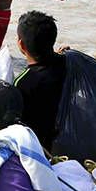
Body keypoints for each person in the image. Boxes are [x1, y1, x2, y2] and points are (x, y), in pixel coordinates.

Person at [13, 11, 66, 154]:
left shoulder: (22, 82)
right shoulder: (68, 63)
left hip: (41, 147)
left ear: (21, 44)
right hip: (66, 134)